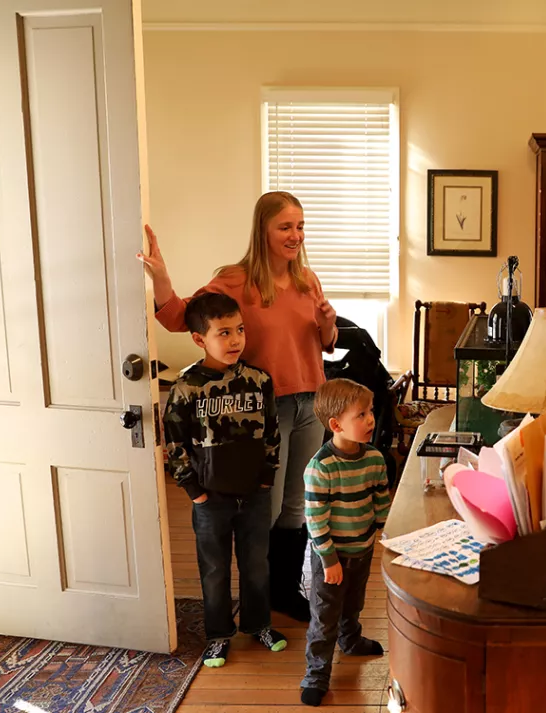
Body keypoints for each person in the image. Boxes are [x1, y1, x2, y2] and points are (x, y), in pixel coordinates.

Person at [140, 191, 337, 622]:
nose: (295, 235)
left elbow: (324, 343)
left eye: (300, 226)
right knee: (264, 507)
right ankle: (258, 593)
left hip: (312, 402)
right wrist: (160, 276)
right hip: (266, 409)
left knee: (297, 505)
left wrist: (327, 324)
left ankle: (285, 591)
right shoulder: (235, 280)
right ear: (263, 230)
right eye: (285, 227)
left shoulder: (308, 280)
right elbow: (179, 317)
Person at [163, 292, 288, 668]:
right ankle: (218, 635)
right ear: (200, 339)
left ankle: (258, 624)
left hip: (254, 494)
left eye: (239, 330)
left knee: (256, 564)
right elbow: (173, 443)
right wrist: (194, 491)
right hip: (210, 499)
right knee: (215, 569)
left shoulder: (258, 380)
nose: (235, 340)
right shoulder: (187, 387)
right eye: (223, 333)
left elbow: (271, 432)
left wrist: (267, 478)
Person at [300, 379, 391, 707]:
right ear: (336, 425)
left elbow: (380, 501)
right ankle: (317, 672)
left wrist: (385, 534)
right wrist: (329, 561)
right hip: (331, 555)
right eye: (361, 414)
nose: (371, 420)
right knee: (325, 615)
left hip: (362, 548)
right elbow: (315, 520)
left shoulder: (375, 459)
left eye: (371, 412)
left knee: (353, 602)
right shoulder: (321, 468)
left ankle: (350, 641)